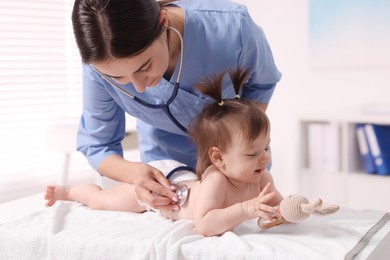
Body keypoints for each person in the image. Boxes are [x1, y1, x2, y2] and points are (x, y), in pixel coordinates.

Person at [72, 0, 281, 212]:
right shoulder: (97, 69)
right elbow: (98, 145)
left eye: (145, 66)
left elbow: (262, 84)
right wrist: (134, 174)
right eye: (118, 77)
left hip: (237, 168)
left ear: (163, 23)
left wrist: (237, 148)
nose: (139, 86)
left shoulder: (233, 28)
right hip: (165, 173)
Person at [45, 67, 283, 236]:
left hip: (183, 181)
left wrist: (295, 208)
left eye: (266, 147)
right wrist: (246, 209)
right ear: (219, 158)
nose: (265, 157)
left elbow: (280, 209)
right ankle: (73, 191)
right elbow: (205, 225)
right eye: (252, 154)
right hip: (162, 185)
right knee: (102, 201)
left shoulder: (263, 178)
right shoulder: (217, 180)